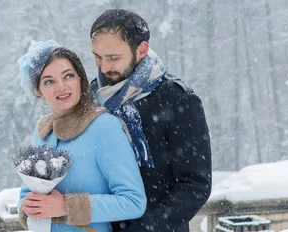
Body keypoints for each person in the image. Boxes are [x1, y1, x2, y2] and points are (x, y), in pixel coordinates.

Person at [89, 9, 213, 232]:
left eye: (113, 58)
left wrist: (145, 227)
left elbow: (195, 185)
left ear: (141, 50)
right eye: (97, 57)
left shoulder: (178, 100)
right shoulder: (92, 95)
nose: (104, 67)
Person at [16, 40, 147, 232]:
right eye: (49, 81)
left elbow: (133, 201)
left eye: (68, 76)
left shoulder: (103, 127)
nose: (61, 87)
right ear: (39, 92)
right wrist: (26, 208)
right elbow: (28, 191)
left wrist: (66, 206)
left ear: (80, 80)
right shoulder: (43, 131)